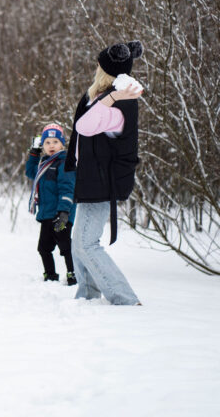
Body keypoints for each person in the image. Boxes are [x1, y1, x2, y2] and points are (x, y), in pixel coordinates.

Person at [65, 40, 144, 305]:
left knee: (86, 243)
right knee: (79, 242)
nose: (95, 67)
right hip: (92, 178)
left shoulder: (118, 105)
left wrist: (111, 98)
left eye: (99, 65)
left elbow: (84, 126)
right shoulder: (101, 98)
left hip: (102, 180)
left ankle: (125, 298)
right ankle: (87, 295)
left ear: (105, 70)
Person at [25, 123, 77, 285]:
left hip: (61, 214)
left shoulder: (64, 163)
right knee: (44, 248)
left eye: (55, 142)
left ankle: (73, 273)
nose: (51, 146)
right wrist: (34, 154)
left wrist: (64, 212)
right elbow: (30, 172)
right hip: (47, 214)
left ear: (62, 144)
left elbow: (67, 188)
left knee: (65, 246)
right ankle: (50, 274)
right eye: (47, 142)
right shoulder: (44, 164)